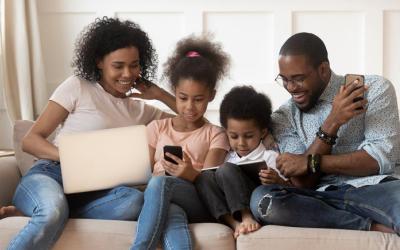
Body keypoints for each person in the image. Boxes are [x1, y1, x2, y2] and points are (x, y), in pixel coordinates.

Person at [4, 17, 177, 250]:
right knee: (52, 210)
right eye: (118, 66)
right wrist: (73, 158)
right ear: (99, 62)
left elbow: (195, 122)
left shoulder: (142, 110)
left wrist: (161, 95)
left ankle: (46, 209)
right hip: (52, 174)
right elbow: (31, 141)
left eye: (134, 65)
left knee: (135, 201)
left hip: (96, 193)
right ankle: (49, 208)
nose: (128, 74)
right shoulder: (78, 86)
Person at [250, 32, 400, 234]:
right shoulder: (284, 116)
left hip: (377, 189)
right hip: (321, 198)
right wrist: (332, 122)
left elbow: (380, 160)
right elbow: (303, 182)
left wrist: (312, 162)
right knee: (263, 199)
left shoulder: (374, 89)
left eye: (298, 78)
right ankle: (370, 227)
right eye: (284, 79)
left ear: (323, 69)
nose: (291, 88)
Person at [132, 35, 231, 250]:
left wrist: (190, 174)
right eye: (183, 98)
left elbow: (212, 185)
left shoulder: (216, 134)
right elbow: (142, 174)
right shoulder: (157, 128)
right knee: (172, 211)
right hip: (161, 197)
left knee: (161, 183)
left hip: (198, 200)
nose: (189, 107)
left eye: (198, 99)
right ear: (175, 93)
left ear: (211, 96)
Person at [195, 86, 289, 238]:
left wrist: (276, 180)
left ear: (263, 132)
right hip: (230, 208)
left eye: (248, 136)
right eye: (234, 136)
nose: (241, 143)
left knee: (226, 169)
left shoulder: (270, 157)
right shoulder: (227, 156)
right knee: (204, 177)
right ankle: (234, 224)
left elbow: (289, 192)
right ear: (226, 132)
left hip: (256, 204)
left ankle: (246, 216)